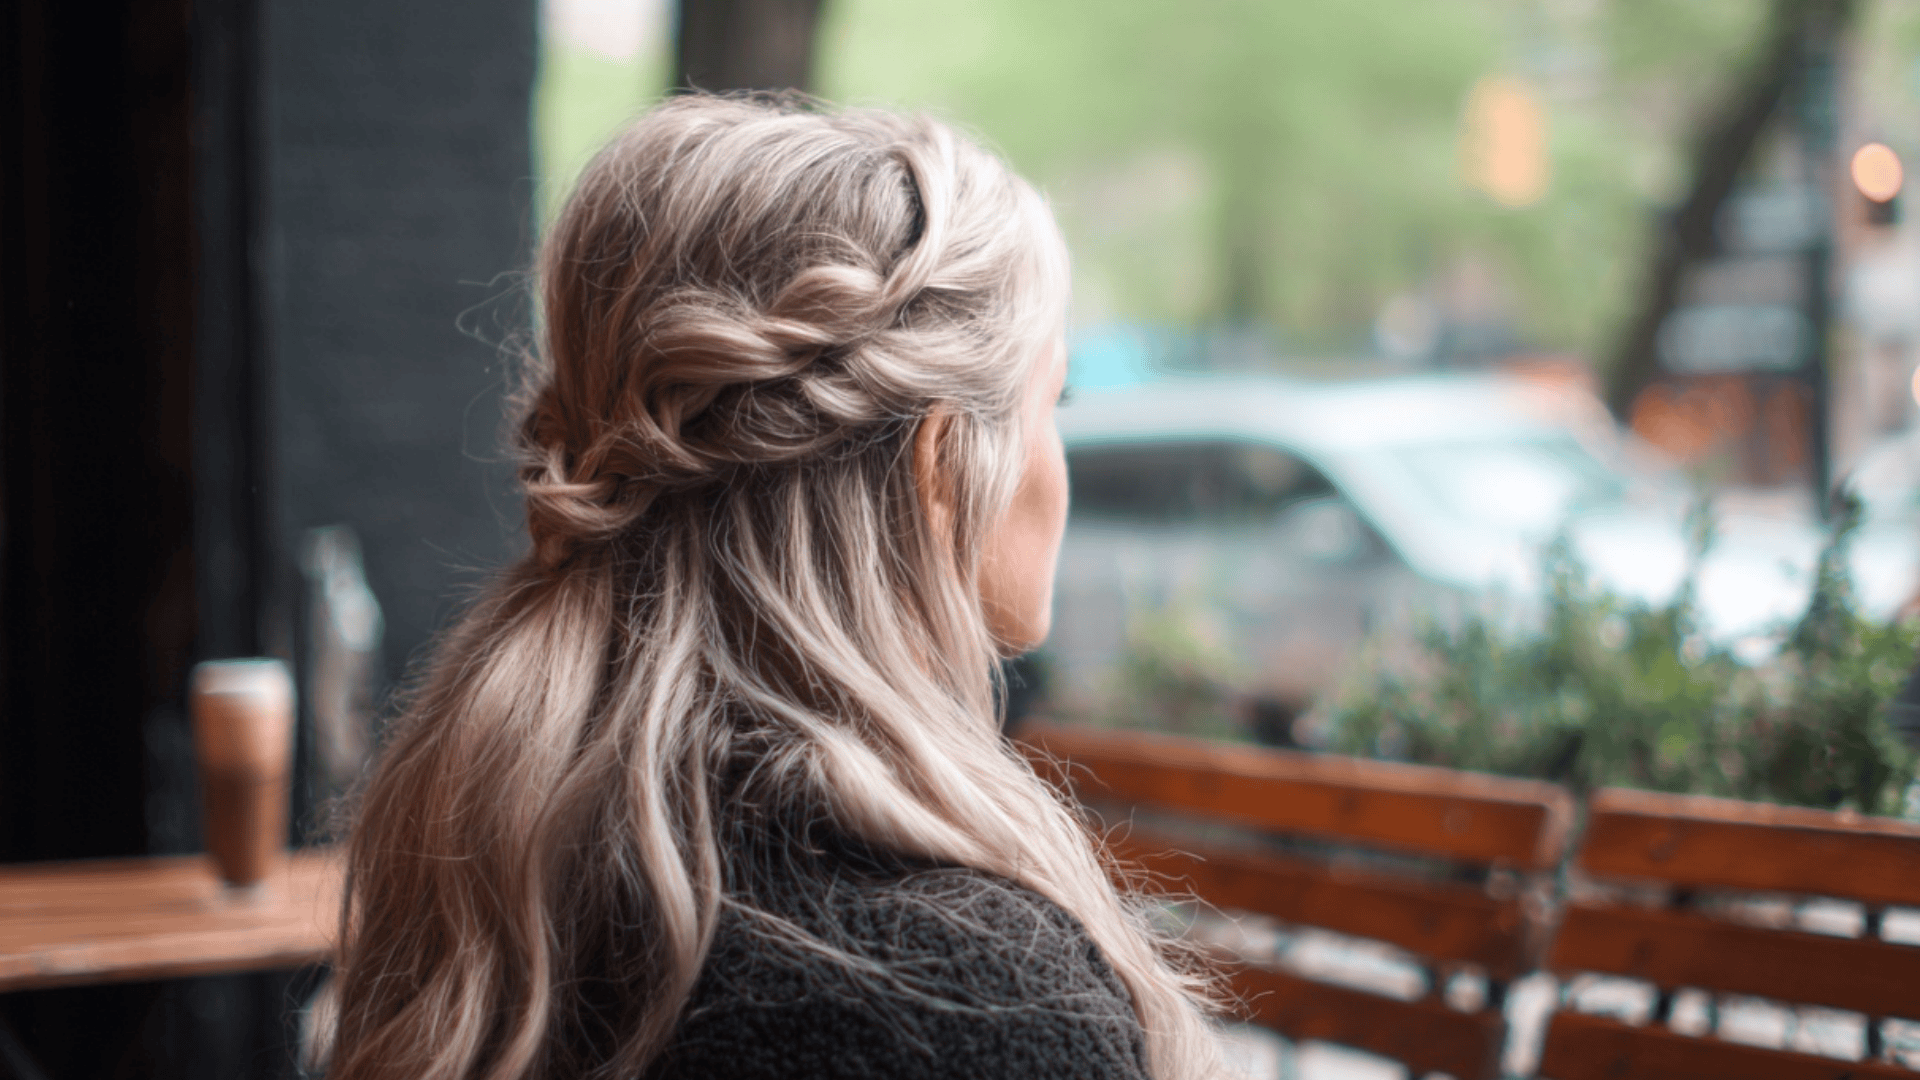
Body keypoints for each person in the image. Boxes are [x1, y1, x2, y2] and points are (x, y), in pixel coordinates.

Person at [324, 94, 1223, 1080]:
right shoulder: (981, 1004)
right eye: (1053, 402)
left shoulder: (494, 852)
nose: (1059, 465)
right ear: (939, 468)